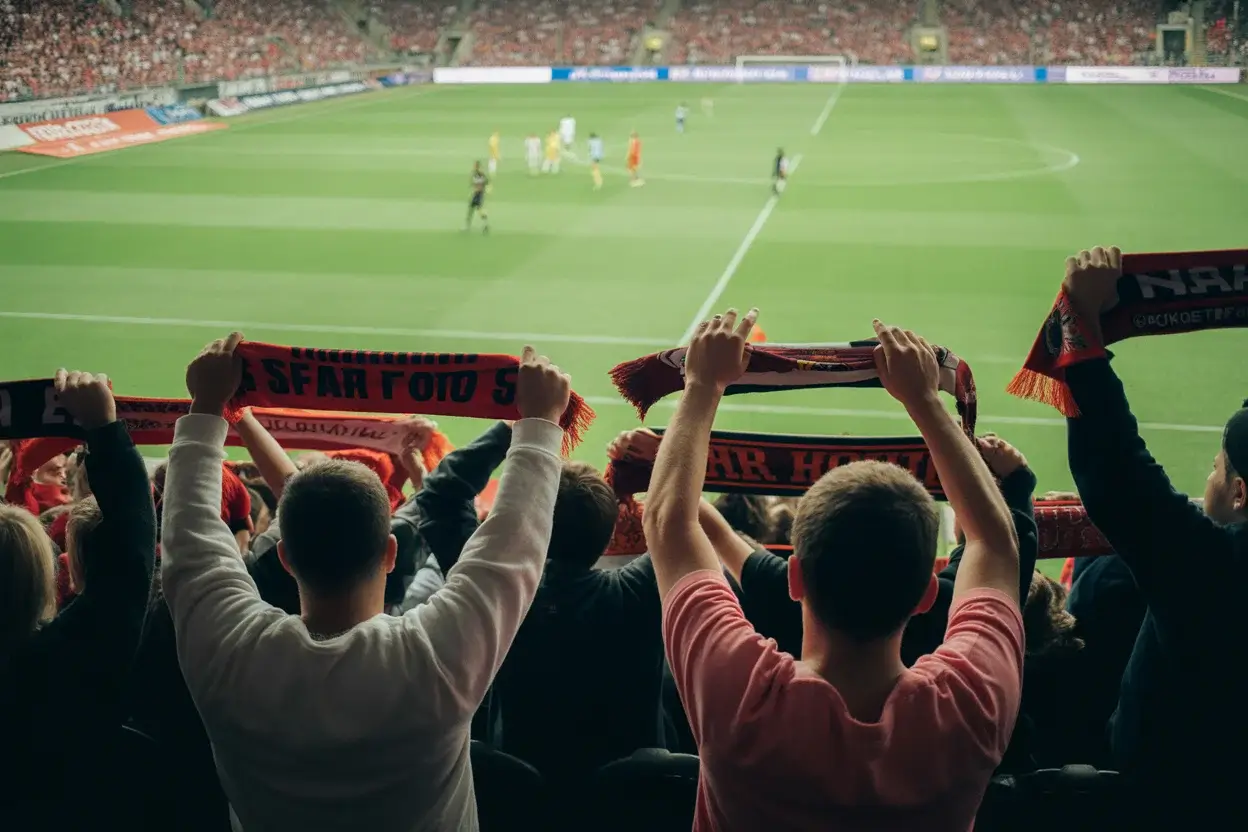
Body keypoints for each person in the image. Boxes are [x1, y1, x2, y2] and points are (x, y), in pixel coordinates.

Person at [159, 332, 574, 831]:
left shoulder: (227, 652)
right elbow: (514, 547)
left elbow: (189, 539)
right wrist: (539, 425)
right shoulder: (434, 661)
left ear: (286, 558)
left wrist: (207, 407)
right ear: (390, 555)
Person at [644, 309, 1024, 830]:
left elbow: (668, 522)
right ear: (926, 594)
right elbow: (996, 543)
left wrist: (702, 385)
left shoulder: (738, 697)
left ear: (795, 578)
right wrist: (926, 401)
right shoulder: (970, 707)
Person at [1060, 245, 1248, 826]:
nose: (1208, 478)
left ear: (1241, 495)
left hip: (1175, 803)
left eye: (1217, 468)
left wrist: (1080, 323)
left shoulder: (1216, 569)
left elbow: (1119, 473)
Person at [0, 369, 156, 826]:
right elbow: (131, 558)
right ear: (43, 576)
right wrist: (105, 431)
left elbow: (130, 556)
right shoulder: (66, 661)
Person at [494, 455, 664, 785]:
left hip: (521, 808)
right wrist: (654, 456)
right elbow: (675, 520)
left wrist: (512, 426)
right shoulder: (637, 593)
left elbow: (442, 497)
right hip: (628, 806)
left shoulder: (502, 597)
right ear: (611, 529)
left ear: (535, 527)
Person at [466, 160, 489, 234]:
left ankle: (468, 226)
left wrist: (477, 188)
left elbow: (480, 184)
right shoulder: (477, 174)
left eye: (475, 165)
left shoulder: (479, 174)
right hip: (478, 194)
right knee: (473, 210)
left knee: (474, 210)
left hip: (478, 194)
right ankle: (484, 225)